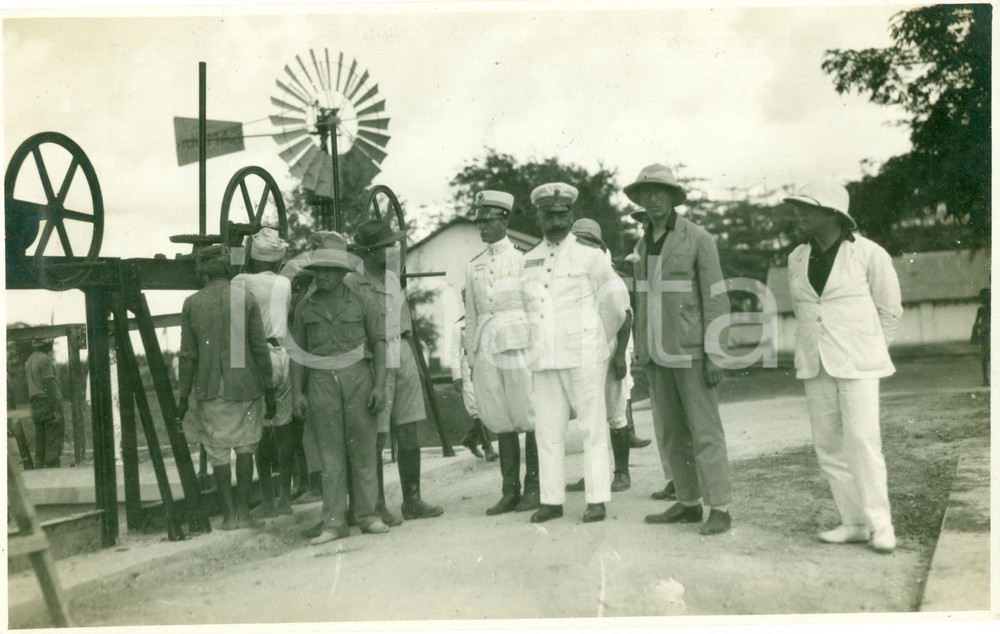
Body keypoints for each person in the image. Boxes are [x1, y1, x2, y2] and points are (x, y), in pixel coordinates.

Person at [785, 179, 903, 554]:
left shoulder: (870, 254)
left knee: (864, 443)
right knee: (828, 447)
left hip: (859, 365)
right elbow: (805, 310)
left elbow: (890, 311)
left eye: (807, 208)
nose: (798, 214)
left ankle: (880, 525)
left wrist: (867, 350)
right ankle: (853, 523)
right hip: (814, 362)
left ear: (832, 214)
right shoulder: (796, 257)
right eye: (797, 207)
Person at [626, 163, 734, 536]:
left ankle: (720, 508)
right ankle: (688, 502)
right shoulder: (642, 244)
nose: (652, 198)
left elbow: (716, 298)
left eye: (659, 191)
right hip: (657, 355)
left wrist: (715, 354)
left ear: (673, 197)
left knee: (705, 431)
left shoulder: (698, 238)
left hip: (692, 352)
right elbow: (643, 303)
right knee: (671, 432)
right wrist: (642, 351)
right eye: (645, 193)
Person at [520, 183, 629, 524]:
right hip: (544, 358)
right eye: (548, 215)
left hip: (584, 356)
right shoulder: (528, 260)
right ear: (538, 216)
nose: (555, 221)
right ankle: (551, 501)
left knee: (592, 430)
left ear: (571, 215)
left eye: (561, 214)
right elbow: (525, 310)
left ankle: (596, 500)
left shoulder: (591, 255)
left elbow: (615, 305)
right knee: (547, 433)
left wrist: (597, 342)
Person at [290, 231, 390, 544]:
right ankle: (333, 523)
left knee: (363, 451)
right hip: (321, 384)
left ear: (340, 273)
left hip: (358, 379)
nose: (321, 276)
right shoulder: (305, 307)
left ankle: (367, 515)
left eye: (327, 270)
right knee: (330, 456)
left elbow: (380, 343)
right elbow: (297, 354)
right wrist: (297, 392)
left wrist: (380, 385)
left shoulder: (362, 300)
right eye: (317, 270)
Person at [349, 220, 444, 521]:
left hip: (402, 349)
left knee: (409, 428)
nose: (392, 250)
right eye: (385, 246)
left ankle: (412, 501)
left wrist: (414, 357)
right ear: (369, 251)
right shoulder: (353, 282)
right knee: (376, 433)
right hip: (375, 356)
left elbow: (405, 323)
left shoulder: (392, 278)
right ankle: (376, 505)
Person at [177, 244, 276, 531]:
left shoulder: (192, 303)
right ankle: (244, 513)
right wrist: (269, 389)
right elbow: (260, 349)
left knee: (218, 452)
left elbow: (188, 355)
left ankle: (228, 516)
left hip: (210, 387)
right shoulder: (245, 299)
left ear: (204, 273)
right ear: (227, 269)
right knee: (245, 448)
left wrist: (183, 396)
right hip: (245, 385)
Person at [464, 190, 540, 515]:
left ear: (504, 221)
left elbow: (534, 307)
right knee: (499, 415)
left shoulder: (523, 260)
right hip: (487, 346)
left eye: (488, 220)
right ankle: (510, 490)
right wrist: (471, 355)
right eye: (479, 221)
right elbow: (471, 314)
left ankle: (535, 488)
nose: (482, 226)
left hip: (520, 345)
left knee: (529, 414)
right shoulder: (474, 266)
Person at [563, 218, 634, 493]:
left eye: (588, 243)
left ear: (597, 247)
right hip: (582, 353)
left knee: (615, 412)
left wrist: (619, 357)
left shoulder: (608, 277)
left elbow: (625, 317)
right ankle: (593, 474)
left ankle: (622, 473)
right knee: (589, 416)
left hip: (609, 348)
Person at [233, 227, 295, 517]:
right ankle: (285, 499)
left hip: (258, 359)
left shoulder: (240, 281)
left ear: (253, 255)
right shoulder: (285, 283)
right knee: (284, 429)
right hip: (283, 356)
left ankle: (268, 501)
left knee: (258, 431)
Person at [451, 292, 498, 462]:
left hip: (486, 364)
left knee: (490, 405)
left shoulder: (486, 320)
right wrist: (456, 376)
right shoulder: (459, 326)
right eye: (465, 301)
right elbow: (454, 352)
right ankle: (488, 448)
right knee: (475, 406)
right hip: (468, 366)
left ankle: (471, 438)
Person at [25, 337, 64, 468]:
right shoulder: (45, 359)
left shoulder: (30, 360)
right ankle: (53, 472)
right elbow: (49, 385)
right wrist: (56, 410)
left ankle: (40, 473)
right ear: (47, 343)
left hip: (35, 403)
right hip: (47, 402)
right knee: (53, 440)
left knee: (40, 442)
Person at [970, 287, 990, 386]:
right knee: (984, 358)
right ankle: (985, 380)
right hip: (984, 336)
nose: (981, 299)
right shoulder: (981, 310)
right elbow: (976, 322)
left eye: (983, 297)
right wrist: (977, 327)